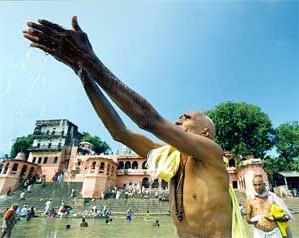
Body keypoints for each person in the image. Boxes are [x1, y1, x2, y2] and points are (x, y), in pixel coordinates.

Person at [23, 16, 241, 238]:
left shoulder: (211, 154)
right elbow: (119, 132)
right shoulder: (172, 160)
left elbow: (148, 120)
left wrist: (90, 59)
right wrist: (82, 71)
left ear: (205, 133)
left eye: (185, 118)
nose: (176, 122)